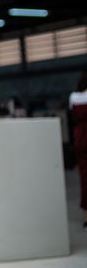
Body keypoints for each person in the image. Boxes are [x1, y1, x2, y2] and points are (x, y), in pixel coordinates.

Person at [69, 70, 87, 231]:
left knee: (83, 177)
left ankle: (85, 217)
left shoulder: (73, 97)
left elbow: (71, 117)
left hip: (79, 137)